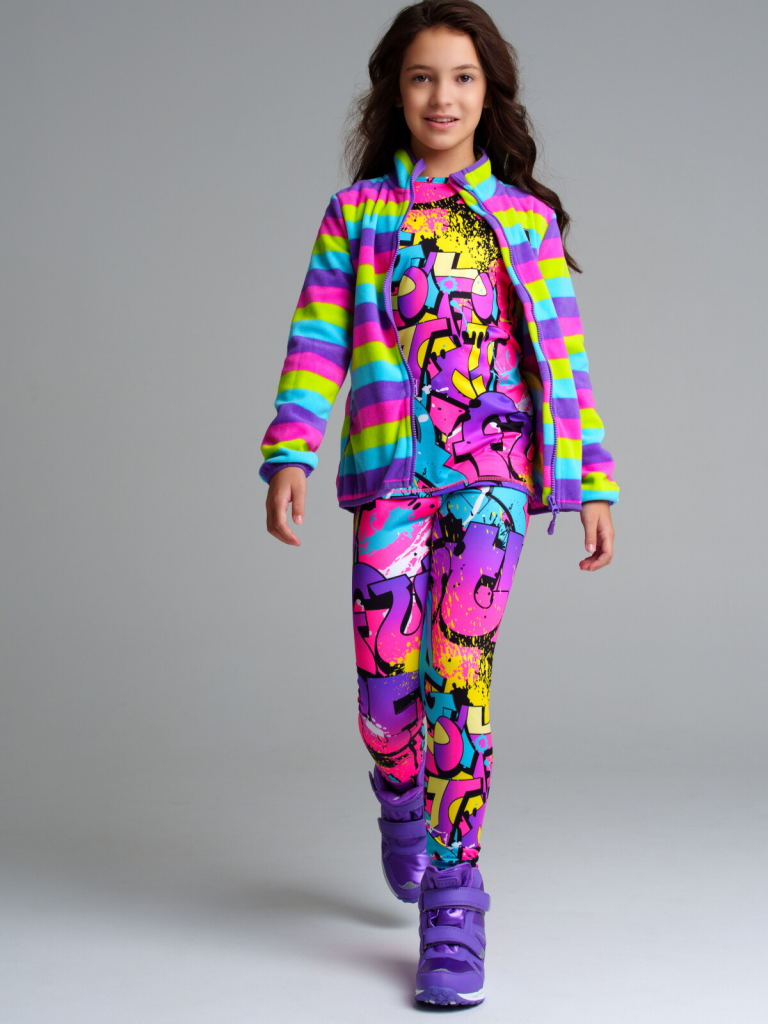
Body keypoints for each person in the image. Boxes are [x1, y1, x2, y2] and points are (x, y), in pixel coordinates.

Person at [260, 0, 619, 1007]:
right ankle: (398, 792)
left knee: (462, 678)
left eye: (462, 77)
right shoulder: (359, 216)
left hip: (494, 485)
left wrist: (592, 478)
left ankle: (456, 903)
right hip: (392, 480)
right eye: (422, 77)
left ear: (488, 91)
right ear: (396, 91)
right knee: (388, 700)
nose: (442, 97)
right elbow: (317, 342)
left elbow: (567, 360)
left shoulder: (524, 220)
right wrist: (290, 451)